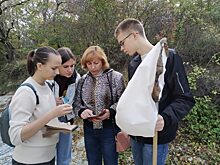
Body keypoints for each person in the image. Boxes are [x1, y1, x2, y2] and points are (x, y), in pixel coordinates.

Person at [114, 18, 195, 165]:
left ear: (134, 34)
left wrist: (165, 118)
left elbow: (185, 98)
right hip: (136, 135)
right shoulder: (134, 64)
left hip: (157, 136)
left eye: (122, 42)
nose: (122, 48)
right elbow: (135, 99)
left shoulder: (168, 57)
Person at [9, 46, 73, 165]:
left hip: (48, 158)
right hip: (29, 161)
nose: (58, 72)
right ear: (39, 66)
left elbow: (42, 126)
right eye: (54, 68)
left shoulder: (47, 86)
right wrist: (51, 114)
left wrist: (60, 128)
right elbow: (16, 136)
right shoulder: (26, 92)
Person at [73, 45, 125, 165]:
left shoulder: (115, 78)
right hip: (89, 130)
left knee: (111, 162)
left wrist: (110, 112)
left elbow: (123, 102)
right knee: (93, 162)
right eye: (89, 63)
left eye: (96, 63)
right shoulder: (82, 80)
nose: (92, 66)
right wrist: (82, 112)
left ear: (102, 61)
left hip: (109, 129)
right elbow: (76, 103)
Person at [49, 47, 80, 165]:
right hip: (48, 118)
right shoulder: (49, 78)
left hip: (66, 119)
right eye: (65, 67)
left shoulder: (77, 78)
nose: (70, 70)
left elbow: (77, 100)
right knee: (47, 153)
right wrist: (51, 101)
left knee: (64, 155)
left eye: (72, 66)